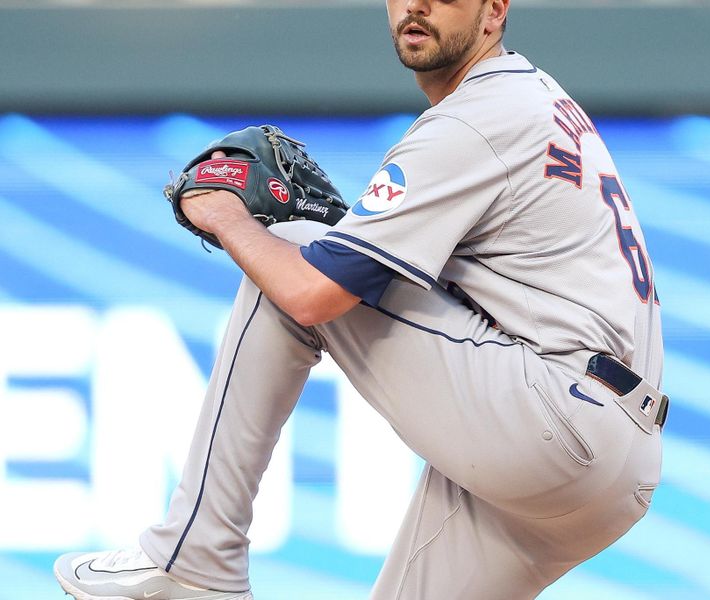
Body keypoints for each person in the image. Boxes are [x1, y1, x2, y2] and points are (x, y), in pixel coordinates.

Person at [54, 1, 667, 599]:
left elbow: (310, 295)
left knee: (291, 249)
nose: (418, 6)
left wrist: (227, 218)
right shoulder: (531, 97)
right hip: (611, 462)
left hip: (553, 418)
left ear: (494, 10)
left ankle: (197, 559)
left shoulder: (474, 121)